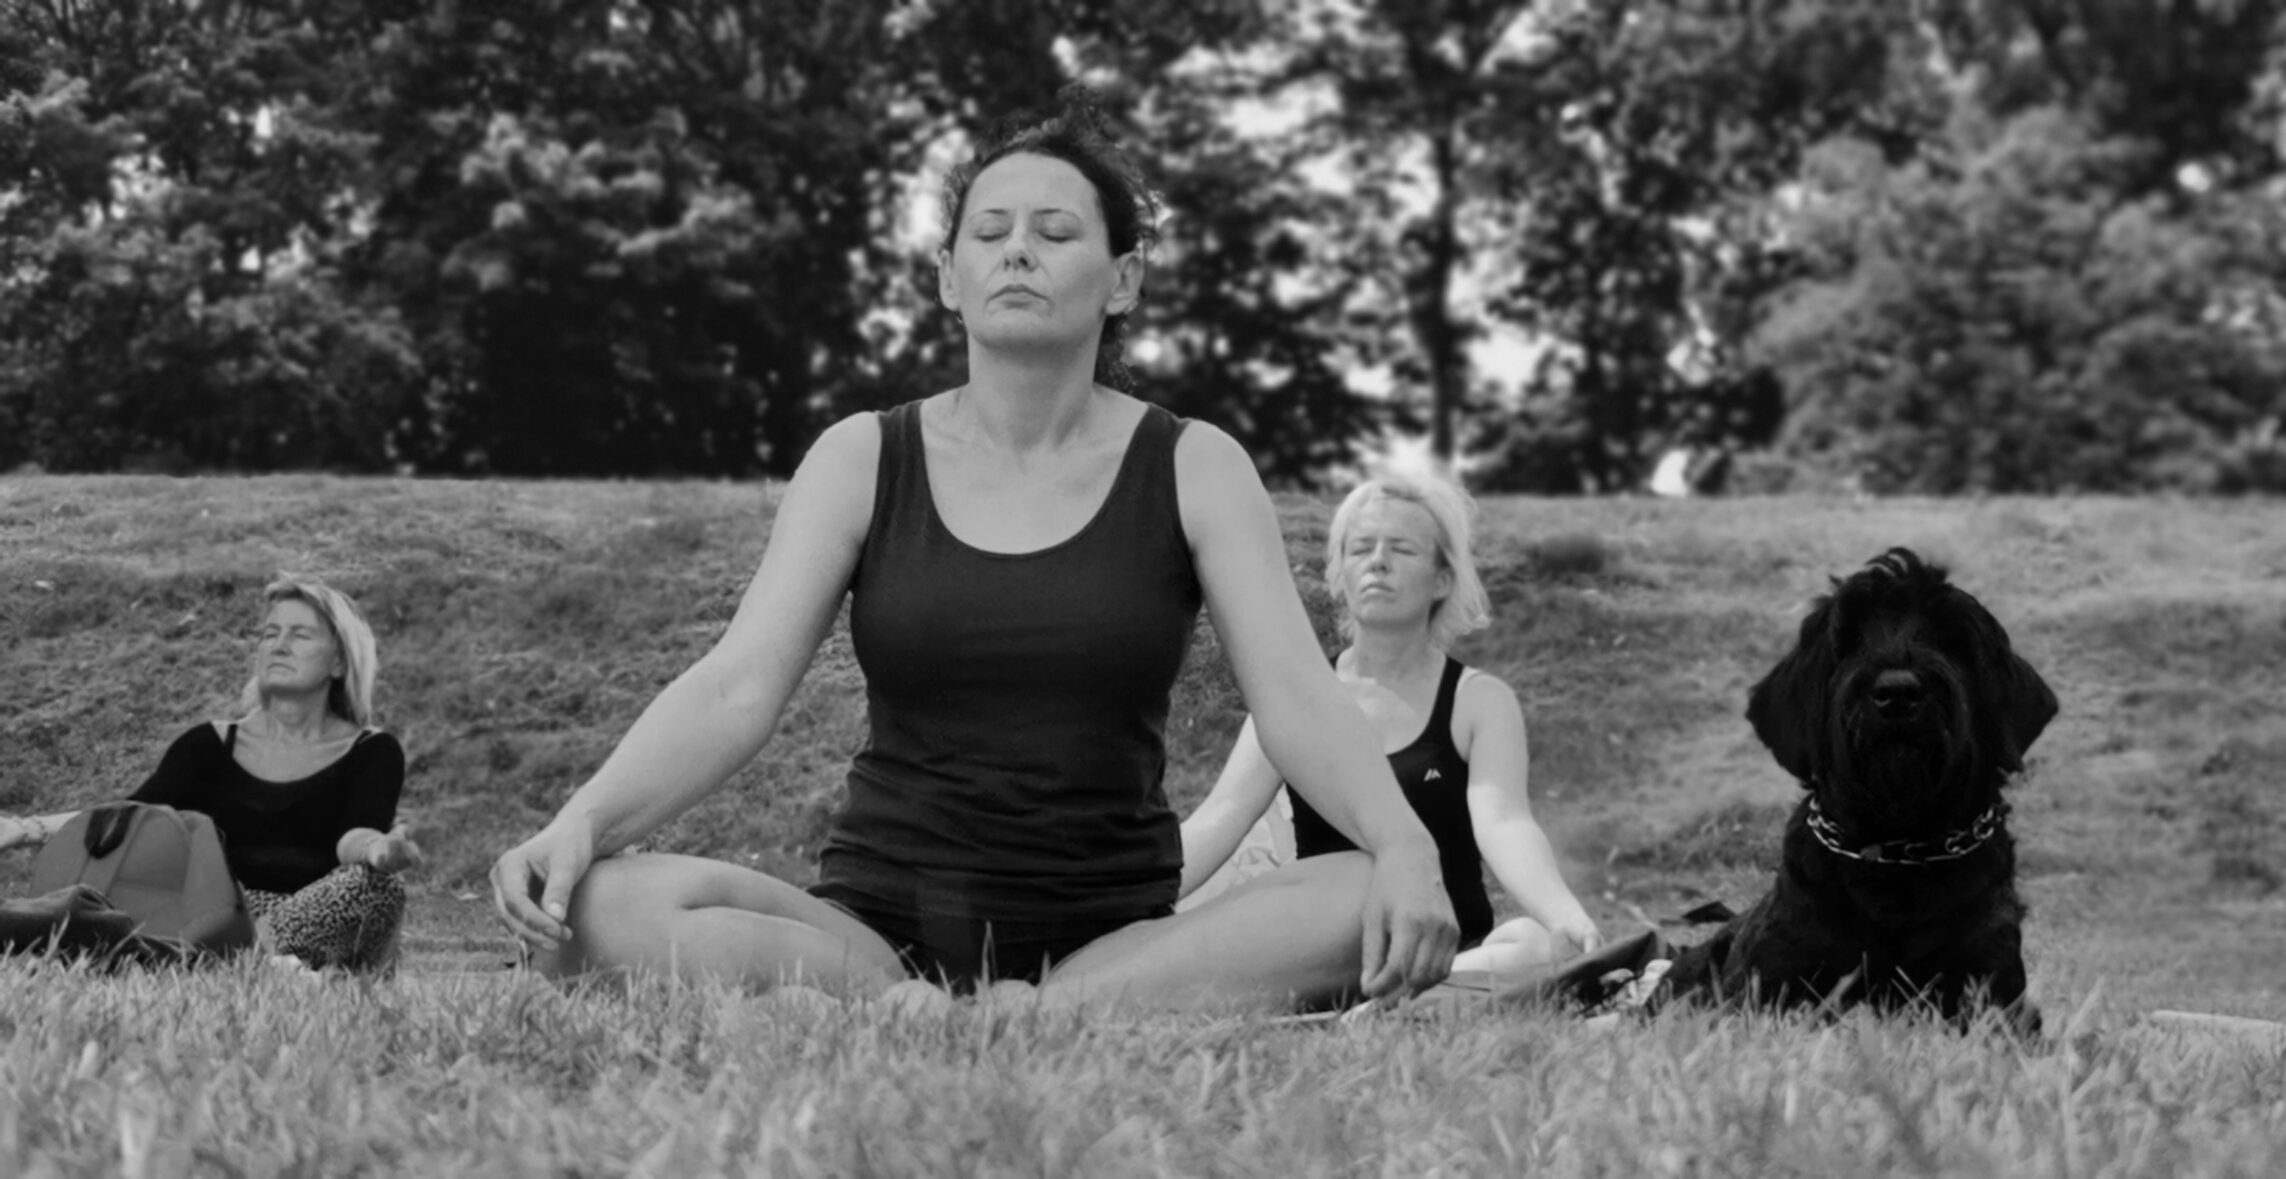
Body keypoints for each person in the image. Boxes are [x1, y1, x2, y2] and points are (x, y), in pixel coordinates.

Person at [485, 96, 1458, 1012]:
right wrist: (583, 821)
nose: (1018, 253)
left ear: (1123, 280)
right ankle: (932, 1012)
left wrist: (1405, 846)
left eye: (1056, 232)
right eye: (989, 234)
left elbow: (1293, 694)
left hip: (1109, 944)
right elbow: (736, 687)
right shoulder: (863, 455)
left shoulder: (1194, 465)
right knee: (595, 912)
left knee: (1364, 890)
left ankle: (1021, 1015)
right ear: (950, 277)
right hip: (868, 935)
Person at [1178, 472, 1603, 976]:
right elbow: (1219, 819)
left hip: (1449, 951)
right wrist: (1114, 906)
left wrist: (1565, 916)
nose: (1377, 562)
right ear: (1338, 574)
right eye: (1360, 549)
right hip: (1331, 948)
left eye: (1401, 549)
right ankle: (1389, 998)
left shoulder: (1479, 701)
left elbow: (1504, 822)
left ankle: (1407, 994)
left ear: (1443, 578)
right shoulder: (1293, 702)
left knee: (1533, 944)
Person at [0, 576, 420, 971]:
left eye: (301, 635)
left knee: (377, 888)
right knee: (87, 908)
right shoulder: (208, 744)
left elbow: (355, 836)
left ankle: (229, 963)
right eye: (270, 634)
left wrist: (378, 850)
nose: (279, 646)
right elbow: (126, 815)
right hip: (219, 916)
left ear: (340, 663)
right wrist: (24, 828)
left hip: (317, 918)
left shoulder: (372, 750)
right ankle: (240, 964)